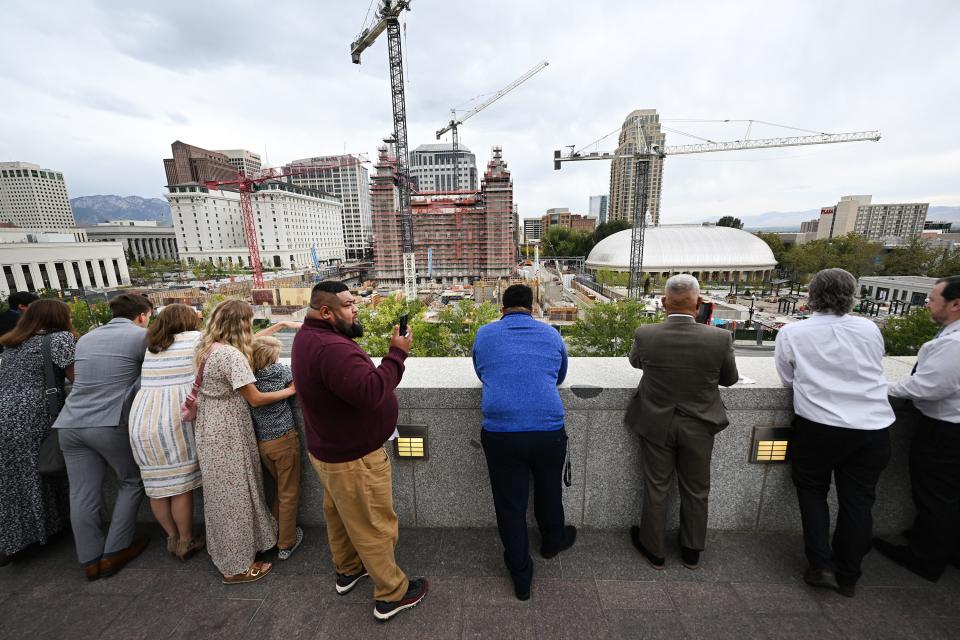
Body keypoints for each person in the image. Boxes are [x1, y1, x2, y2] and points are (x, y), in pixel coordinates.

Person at [291, 280, 428, 622]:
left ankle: (348, 570)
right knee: (375, 527)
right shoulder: (331, 348)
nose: (356, 309)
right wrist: (397, 353)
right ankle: (391, 595)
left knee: (339, 517)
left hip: (329, 452)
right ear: (326, 312)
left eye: (355, 302)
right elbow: (369, 392)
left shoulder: (309, 338)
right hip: (353, 459)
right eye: (349, 305)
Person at [775, 268, 894, 597]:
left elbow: (788, 379)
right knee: (858, 501)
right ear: (852, 295)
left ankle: (821, 565)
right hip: (872, 427)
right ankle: (849, 573)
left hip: (819, 427)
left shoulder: (793, 333)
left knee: (813, 493)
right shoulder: (869, 328)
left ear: (812, 294)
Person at [624, 274, 738, 570]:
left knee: (656, 486)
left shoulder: (646, 334)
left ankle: (654, 549)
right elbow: (730, 379)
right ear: (699, 304)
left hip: (655, 422)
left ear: (663, 303)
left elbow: (636, 363)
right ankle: (691, 550)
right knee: (697, 488)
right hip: (700, 424)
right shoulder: (720, 338)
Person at [472, 283, 576, 601]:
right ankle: (552, 540)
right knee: (549, 488)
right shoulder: (551, 335)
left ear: (502, 308)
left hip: (501, 432)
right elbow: (559, 376)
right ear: (532, 308)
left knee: (510, 504)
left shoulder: (485, 335)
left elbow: (482, 371)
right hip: (548, 430)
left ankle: (521, 574)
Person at [193, 300, 295, 584]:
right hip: (229, 432)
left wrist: (281, 325)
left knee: (220, 494)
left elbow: (251, 341)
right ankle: (236, 567)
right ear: (241, 324)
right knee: (236, 495)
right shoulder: (231, 357)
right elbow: (256, 398)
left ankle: (227, 552)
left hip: (209, 426)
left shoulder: (206, 345)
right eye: (249, 321)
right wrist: (291, 390)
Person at [54, 293, 154, 581]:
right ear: (143, 315)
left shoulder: (86, 338)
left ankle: (89, 558)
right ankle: (114, 552)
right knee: (131, 480)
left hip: (71, 423)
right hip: (109, 423)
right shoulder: (141, 336)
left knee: (81, 492)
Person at [874, 275, 960, 582]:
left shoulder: (954, 344)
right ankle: (944, 546)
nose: (926, 304)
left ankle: (926, 557)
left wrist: (884, 387)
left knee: (935, 494)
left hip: (945, 431)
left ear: (955, 304)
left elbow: (928, 387)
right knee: (948, 494)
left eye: (932, 299)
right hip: (950, 427)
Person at [128, 303, 205, 562]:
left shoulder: (154, 346)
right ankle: (186, 540)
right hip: (172, 419)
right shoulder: (195, 339)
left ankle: (171, 537)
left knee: (157, 486)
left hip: (142, 419)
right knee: (180, 486)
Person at [0, 299, 75, 566]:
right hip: (34, 412)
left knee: (12, 480)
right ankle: (48, 529)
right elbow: (77, 377)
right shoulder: (59, 339)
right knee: (42, 467)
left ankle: (15, 540)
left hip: (4, 412)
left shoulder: (12, 344)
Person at [250, 335, 304, 561]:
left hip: (263, 444)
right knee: (289, 492)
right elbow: (298, 382)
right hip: (285, 440)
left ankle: (271, 534)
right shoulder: (280, 372)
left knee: (281, 489)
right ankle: (286, 543)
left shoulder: (250, 378)